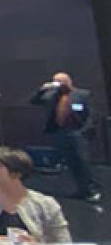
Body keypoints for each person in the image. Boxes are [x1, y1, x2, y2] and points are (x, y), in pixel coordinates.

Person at [30, 71, 101, 201]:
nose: (60, 84)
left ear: (69, 81)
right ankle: (81, 189)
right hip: (60, 132)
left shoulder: (82, 94)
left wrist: (85, 131)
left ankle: (92, 190)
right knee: (71, 162)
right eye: (57, 81)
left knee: (82, 162)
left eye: (62, 81)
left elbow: (92, 114)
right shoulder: (52, 95)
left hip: (77, 132)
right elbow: (34, 101)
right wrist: (42, 90)